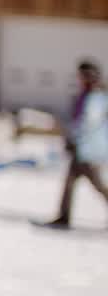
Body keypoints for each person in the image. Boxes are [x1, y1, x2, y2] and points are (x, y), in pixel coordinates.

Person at [40, 58, 108, 229]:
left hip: (89, 150)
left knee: (97, 185)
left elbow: (87, 124)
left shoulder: (95, 98)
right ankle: (64, 217)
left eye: (80, 75)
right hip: (83, 149)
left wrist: (74, 139)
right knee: (70, 183)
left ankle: (64, 217)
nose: (78, 78)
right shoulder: (87, 95)